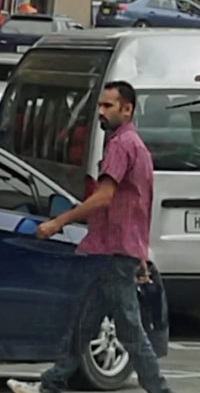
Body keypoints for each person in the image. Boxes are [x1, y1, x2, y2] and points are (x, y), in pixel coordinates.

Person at [7, 82, 173, 393]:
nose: (101, 112)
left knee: (129, 329)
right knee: (84, 322)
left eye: (108, 106)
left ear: (128, 109)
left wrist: (58, 223)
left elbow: (104, 197)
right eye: (100, 106)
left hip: (113, 250)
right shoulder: (138, 146)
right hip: (116, 249)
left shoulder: (121, 145)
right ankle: (52, 382)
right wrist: (141, 254)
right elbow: (140, 206)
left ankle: (160, 389)